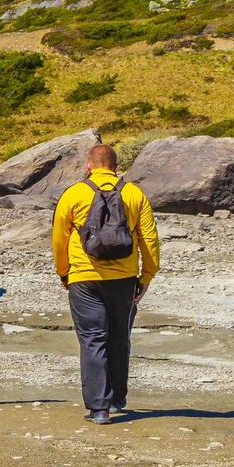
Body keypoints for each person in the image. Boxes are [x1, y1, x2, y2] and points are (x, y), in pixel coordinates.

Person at [51, 144, 161, 424]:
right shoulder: (134, 194)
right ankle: (117, 397)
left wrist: (64, 272)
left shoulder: (74, 193)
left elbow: (59, 238)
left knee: (92, 340)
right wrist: (145, 276)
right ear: (116, 166)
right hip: (124, 277)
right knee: (118, 337)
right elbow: (149, 240)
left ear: (88, 166)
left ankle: (99, 408)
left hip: (84, 277)